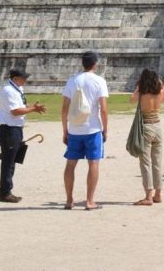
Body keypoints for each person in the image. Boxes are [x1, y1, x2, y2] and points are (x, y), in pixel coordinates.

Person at [61, 50, 110, 209]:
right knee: (93, 163)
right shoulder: (99, 81)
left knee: (70, 164)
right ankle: (89, 201)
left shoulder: (72, 81)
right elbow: (103, 109)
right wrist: (105, 129)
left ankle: (69, 200)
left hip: (75, 129)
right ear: (95, 64)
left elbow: (64, 109)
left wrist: (65, 130)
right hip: (93, 128)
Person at [0, 68, 46, 203]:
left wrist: (32, 107)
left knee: (12, 161)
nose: (25, 80)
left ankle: (7, 191)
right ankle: (4, 192)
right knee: (8, 162)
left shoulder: (18, 89)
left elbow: (21, 106)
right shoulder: (8, 90)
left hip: (16, 129)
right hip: (9, 130)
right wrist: (33, 109)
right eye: (23, 78)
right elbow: (15, 111)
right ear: (16, 78)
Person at [129, 68, 164, 206]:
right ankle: (158, 193)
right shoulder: (160, 92)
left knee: (145, 163)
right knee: (157, 163)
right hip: (157, 127)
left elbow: (131, 100)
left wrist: (138, 87)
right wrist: (161, 85)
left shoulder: (141, 93)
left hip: (145, 127)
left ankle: (148, 196)